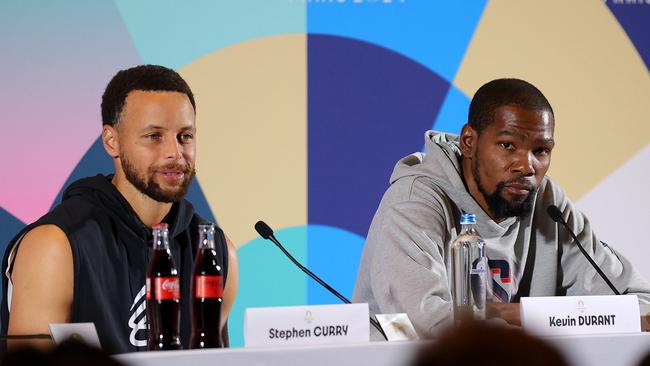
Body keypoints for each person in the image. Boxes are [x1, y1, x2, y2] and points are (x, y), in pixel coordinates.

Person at [352, 78, 650, 339]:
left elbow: (640, 303)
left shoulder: (548, 203)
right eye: (508, 146)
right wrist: (534, 323)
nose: (526, 166)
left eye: (541, 151)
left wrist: (512, 313)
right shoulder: (416, 199)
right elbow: (427, 324)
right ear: (469, 142)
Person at [0, 65, 239, 353]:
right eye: (154, 136)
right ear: (111, 141)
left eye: (185, 136)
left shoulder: (216, 250)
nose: (174, 152)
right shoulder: (55, 245)